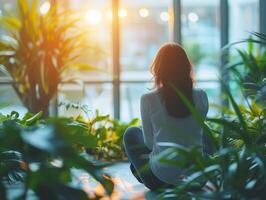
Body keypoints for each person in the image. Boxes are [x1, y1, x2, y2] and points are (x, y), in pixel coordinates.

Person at [123, 43, 209, 190]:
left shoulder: (148, 99)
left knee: (131, 132)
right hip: (197, 180)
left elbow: (149, 144)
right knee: (204, 130)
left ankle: (141, 171)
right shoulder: (201, 95)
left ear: (158, 69)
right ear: (186, 67)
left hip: (159, 181)